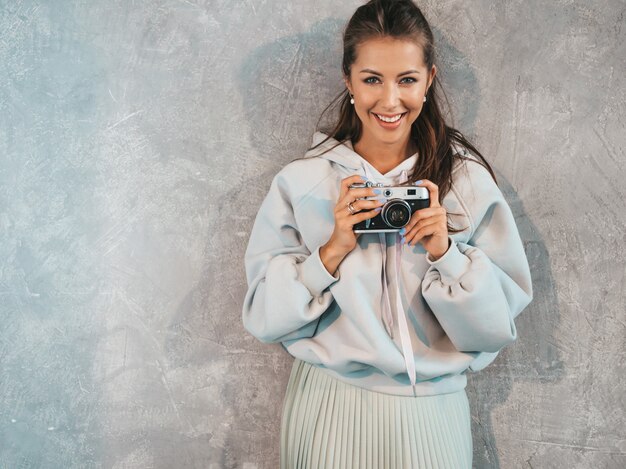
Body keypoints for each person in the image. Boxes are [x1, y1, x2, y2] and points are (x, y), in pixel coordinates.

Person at [241, 0, 534, 467]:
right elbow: (262, 317)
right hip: (329, 407)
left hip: (432, 413)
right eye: (372, 79)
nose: (390, 100)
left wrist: (446, 252)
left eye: (408, 80)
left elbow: (495, 329)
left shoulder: (467, 183)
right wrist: (332, 250)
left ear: (430, 80)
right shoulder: (302, 182)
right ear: (348, 81)